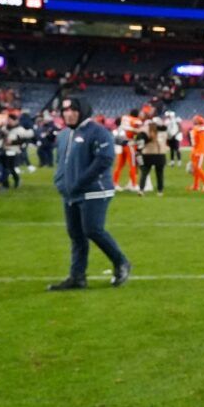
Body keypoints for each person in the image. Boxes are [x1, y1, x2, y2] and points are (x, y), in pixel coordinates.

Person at [47, 96, 131, 291]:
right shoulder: (64, 134)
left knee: (93, 229)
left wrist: (80, 182)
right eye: (65, 111)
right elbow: (61, 162)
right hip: (71, 193)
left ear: (82, 111)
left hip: (96, 191)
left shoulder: (99, 132)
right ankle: (77, 277)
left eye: (73, 110)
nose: (68, 114)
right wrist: (60, 182)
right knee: (76, 234)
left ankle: (121, 262)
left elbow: (104, 160)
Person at [138, 115, 168, 194]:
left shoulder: (145, 131)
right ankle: (160, 191)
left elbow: (140, 143)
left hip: (147, 154)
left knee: (144, 173)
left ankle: (141, 190)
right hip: (160, 154)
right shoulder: (164, 131)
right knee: (160, 174)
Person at [188, 115, 204, 191]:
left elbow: (193, 142)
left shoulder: (196, 130)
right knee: (196, 169)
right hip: (199, 150)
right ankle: (196, 185)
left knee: (198, 168)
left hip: (198, 151)